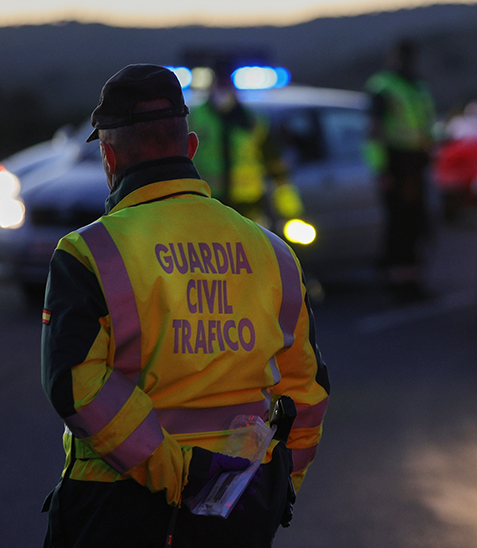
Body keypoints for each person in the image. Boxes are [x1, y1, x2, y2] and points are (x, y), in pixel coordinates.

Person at [40, 64, 330, 548]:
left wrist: (175, 474)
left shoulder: (89, 253)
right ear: (191, 147)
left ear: (108, 157)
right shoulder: (275, 254)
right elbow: (307, 390)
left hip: (114, 504)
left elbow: (76, 385)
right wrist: (279, 489)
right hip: (239, 503)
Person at [187, 61, 303, 231]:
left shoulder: (253, 120)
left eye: (226, 85)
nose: (222, 91)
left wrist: (290, 210)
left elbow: (275, 165)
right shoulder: (194, 118)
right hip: (207, 204)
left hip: (249, 206)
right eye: (219, 85)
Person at [365, 39, 436, 302]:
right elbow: (374, 133)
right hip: (397, 164)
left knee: (416, 223)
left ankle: (411, 279)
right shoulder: (383, 87)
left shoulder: (417, 86)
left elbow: (423, 124)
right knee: (400, 225)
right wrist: (382, 170)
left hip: (416, 162)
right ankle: (398, 283)